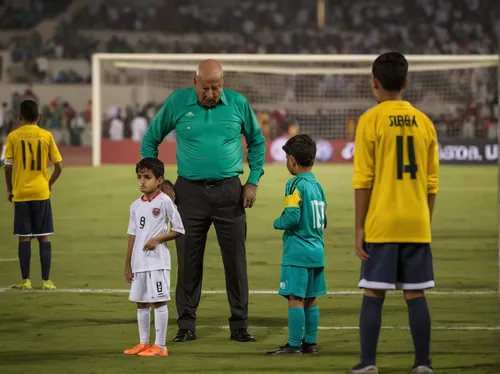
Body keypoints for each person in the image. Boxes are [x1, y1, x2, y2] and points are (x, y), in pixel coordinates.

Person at [141, 59, 266, 343]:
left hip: (230, 193)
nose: (211, 94)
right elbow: (150, 141)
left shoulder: (238, 103)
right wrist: (161, 180)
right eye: (205, 88)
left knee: (235, 262)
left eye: (217, 88)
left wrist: (253, 180)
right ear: (194, 82)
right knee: (188, 263)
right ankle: (186, 325)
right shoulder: (177, 103)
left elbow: (257, 141)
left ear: (224, 83)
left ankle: (239, 326)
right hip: (188, 195)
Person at [350, 52, 439, 374]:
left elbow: (363, 180)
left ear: (374, 83)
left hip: (382, 223)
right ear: (406, 82)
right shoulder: (425, 122)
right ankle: (422, 364)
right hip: (416, 221)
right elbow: (431, 182)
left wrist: (359, 227)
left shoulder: (370, 120)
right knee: (416, 294)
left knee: (374, 291)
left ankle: (369, 363)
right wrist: (424, 221)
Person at [266, 134, 327, 355]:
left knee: (295, 298)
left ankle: (293, 345)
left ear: (291, 160)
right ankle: (310, 343)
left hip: (298, 252)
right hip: (316, 250)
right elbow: (324, 220)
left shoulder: (294, 185)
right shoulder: (317, 186)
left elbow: (291, 217)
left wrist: (277, 222)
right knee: (311, 298)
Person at [124, 158, 185, 357]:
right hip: (139, 262)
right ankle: (143, 343)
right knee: (141, 302)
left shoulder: (164, 201)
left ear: (159, 181)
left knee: (159, 301)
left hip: (157, 262)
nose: (142, 181)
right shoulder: (135, 206)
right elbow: (132, 235)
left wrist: (157, 239)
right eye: (139, 177)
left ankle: (160, 346)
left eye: (147, 177)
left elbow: (179, 229)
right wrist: (128, 263)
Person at [3, 99, 63, 290]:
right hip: (41, 192)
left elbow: (7, 167)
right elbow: (59, 166)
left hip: (21, 192)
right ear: (40, 116)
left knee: (24, 237)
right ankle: (46, 281)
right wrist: (49, 183)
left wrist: (9, 189)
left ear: (19, 117)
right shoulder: (46, 135)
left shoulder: (13, 136)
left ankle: (25, 280)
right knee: (44, 236)